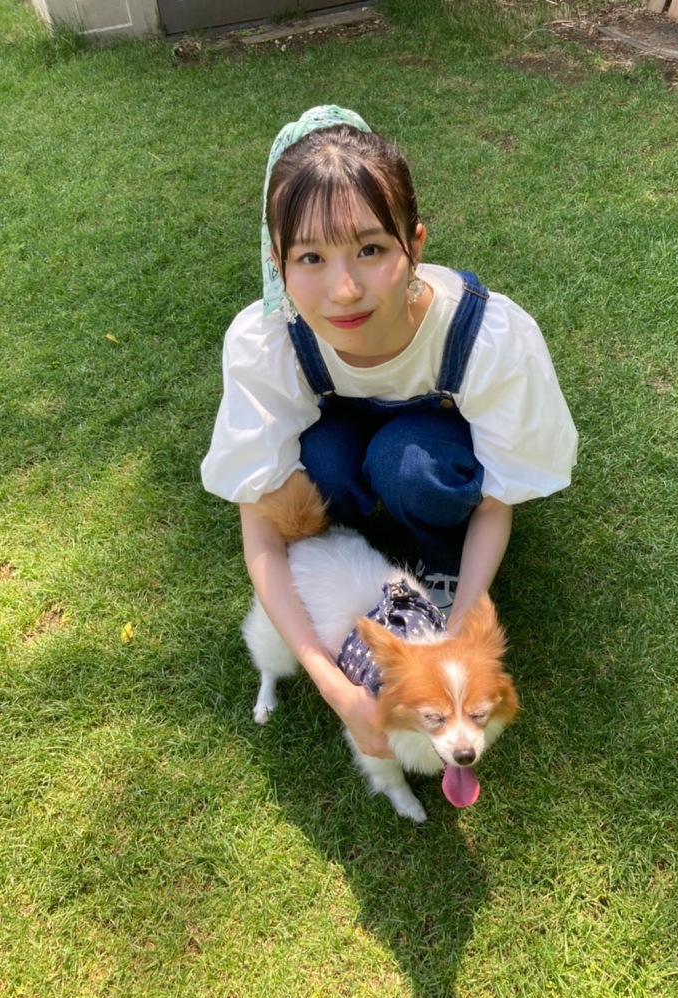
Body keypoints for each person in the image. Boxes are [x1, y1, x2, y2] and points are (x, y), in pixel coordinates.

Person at [201, 105, 577, 759]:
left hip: (432, 446)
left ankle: (439, 562)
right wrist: (334, 685)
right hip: (340, 432)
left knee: (408, 463)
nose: (344, 289)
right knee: (315, 462)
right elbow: (259, 522)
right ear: (278, 264)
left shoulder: (486, 336)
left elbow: (497, 499)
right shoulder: (268, 342)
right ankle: (343, 544)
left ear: (416, 245)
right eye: (311, 257)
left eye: (370, 250)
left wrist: (462, 631)